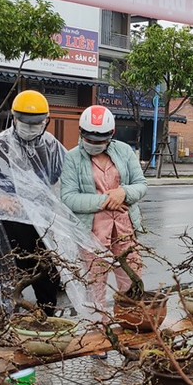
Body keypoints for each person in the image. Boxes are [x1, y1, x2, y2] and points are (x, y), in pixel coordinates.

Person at [0, 90, 101, 316]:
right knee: (11, 271)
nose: (30, 128)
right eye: (25, 123)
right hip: (10, 220)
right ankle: (10, 320)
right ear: (14, 118)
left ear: (46, 121)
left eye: (36, 123)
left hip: (41, 220)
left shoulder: (50, 145)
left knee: (46, 270)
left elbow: (68, 173)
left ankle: (47, 316)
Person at [61, 105, 148, 318]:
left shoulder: (124, 151)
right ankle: (100, 328)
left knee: (131, 280)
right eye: (89, 139)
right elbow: (69, 197)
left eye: (100, 140)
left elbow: (141, 184)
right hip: (92, 233)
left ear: (111, 135)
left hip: (125, 230)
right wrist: (107, 200)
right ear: (81, 133)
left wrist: (124, 192)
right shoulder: (72, 158)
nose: (94, 144)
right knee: (95, 285)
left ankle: (130, 323)